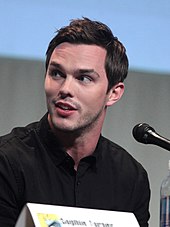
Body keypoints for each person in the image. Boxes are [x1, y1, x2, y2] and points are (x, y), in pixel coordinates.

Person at [0, 17, 150, 227]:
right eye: (57, 73)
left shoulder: (131, 177)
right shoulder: (6, 162)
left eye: (84, 78)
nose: (65, 89)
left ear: (114, 93)